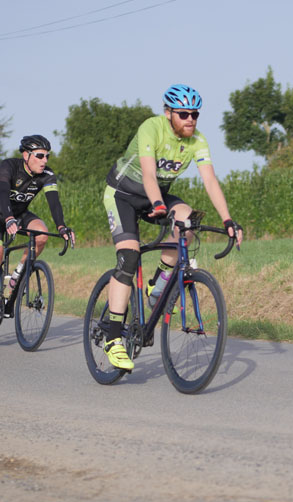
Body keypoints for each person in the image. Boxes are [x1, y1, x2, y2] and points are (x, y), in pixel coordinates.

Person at [102, 84, 242, 370]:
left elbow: (210, 180)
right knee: (128, 257)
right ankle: (113, 338)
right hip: (123, 195)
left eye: (195, 114)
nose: (190, 119)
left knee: (187, 223)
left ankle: (159, 282)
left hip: (156, 198)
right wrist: (157, 204)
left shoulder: (197, 140)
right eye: (183, 114)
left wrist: (228, 220)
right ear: (168, 113)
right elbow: (149, 173)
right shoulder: (151, 128)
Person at [0, 135, 75, 333]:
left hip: (18, 214)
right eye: (40, 156)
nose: (44, 160)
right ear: (26, 155)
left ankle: (17, 275)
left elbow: (54, 202)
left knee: (42, 234)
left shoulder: (47, 175)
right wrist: (8, 218)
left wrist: (62, 227)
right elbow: (3, 192)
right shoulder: (9, 166)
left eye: (47, 156)